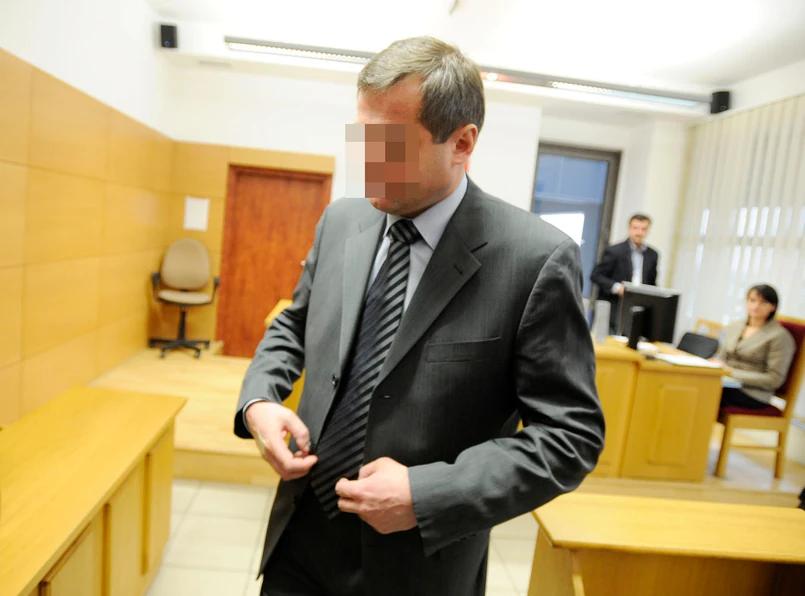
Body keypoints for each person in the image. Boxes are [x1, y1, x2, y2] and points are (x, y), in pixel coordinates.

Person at [234, 36, 604, 596]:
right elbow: (295, 323)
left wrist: (429, 495)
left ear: (462, 143)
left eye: (392, 144)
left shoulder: (534, 260)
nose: (367, 161)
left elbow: (569, 436)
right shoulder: (341, 222)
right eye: (363, 137)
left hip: (419, 566)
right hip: (299, 541)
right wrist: (260, 399)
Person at [712, 284, 795, 410]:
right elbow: (722, 357)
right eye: (752, 300)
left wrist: (731, 372)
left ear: (773, 306)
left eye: (763, 302)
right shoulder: (736, 326)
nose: (755, 306)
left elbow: (774, 379)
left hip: (752, 393)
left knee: (704, 391)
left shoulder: (779, 336)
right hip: (726, 383)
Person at [590, 213, 659, 333]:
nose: (639, 232)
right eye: (636, 228)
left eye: (643, 229)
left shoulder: (652, 255)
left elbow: (652, 282)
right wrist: (617, 288)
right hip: (615, 309)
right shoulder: (614, 251)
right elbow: (596, 275)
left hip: (639, 311)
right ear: (629, 229)